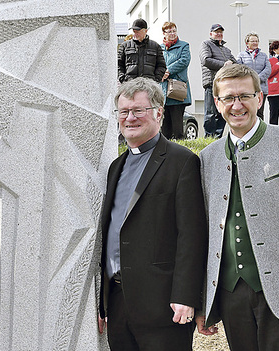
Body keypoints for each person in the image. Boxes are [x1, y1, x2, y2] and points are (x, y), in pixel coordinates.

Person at [196, 64, 279, 351]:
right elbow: (203, 234)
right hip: (231, 293)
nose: (237, 105)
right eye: (228, 98)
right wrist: (203, 303)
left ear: (260, 98)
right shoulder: (207, 158)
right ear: (217, 103)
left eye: (245, 96)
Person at [97, 77, 207, 350]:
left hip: (164, 307)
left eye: (138, 111)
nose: (129, 118)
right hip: (119, 303)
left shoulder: (182, 162)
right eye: (123, 112)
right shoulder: (115, 167)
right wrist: (103, 301)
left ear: (158, 113)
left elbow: (192, 236)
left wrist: (186, 297)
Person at [200, 23, 236, 138]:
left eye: (221, 32)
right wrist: (224, 64)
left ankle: (218, 137)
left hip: (225, 85)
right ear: (211, 34)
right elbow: (205, 60)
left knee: (222, 111)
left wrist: (232, 64)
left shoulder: (226, 50)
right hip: (212, 82)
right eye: (216, 32)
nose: (219, 34)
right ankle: (209, 137)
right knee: (210, 112)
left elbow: (236, 63)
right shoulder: (206, 44)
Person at [160, 21, 191, 140]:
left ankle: (180, 147)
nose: (172, 33)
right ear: (164, 33)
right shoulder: (160, 48)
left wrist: (168, 70)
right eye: (169, 31)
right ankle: (165, 149)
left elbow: (184, 61)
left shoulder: (184, 45)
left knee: (178, 126)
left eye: (174, 31)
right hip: (164, 90)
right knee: (165, 126)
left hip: (177, 88)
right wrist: (161, 72)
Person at [117, 18, 166, 83]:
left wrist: (155, 80)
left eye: (138, 31)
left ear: (145, 31)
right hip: (129, 85)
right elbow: (118, 64)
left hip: (149, 86)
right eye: (134, 31)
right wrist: (123, 79)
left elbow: (161, 66)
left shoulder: (155, 46)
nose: (135, 34)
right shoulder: (124, 46)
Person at [237, 32, 270, 120]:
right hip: (247, 88)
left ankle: (260, 132)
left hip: (261, 88)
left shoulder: (264, 55)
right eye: (253, 41)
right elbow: (240, 69)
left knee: (260, 111)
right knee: (248, 110)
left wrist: (257, 78)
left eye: (256, 41)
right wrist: (249, 79)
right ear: (247, 43)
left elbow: (268, 69)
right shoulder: (241, 55)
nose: (255, 43)